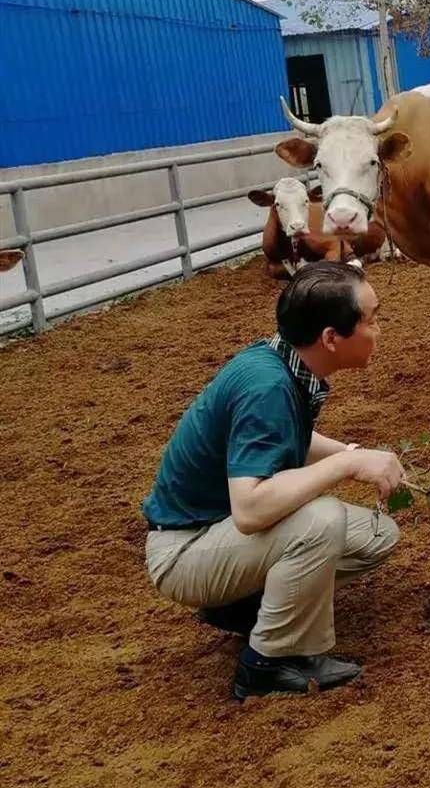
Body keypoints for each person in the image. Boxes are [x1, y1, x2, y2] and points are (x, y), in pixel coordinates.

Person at [142, 261, 406, 699]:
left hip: (213, 534)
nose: (379, 328)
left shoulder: (279, 361)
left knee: (375, 534)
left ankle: (247, 606)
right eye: (372, 318)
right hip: (185, 550)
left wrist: (350, 453)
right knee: (319, 521)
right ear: (330, 339)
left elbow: (286, 438)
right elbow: (250, 511)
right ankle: (268, 663)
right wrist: (343, 468)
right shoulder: (267, 388)